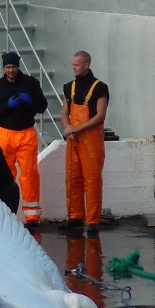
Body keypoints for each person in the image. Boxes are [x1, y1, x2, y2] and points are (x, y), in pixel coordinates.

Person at [0, 51, 49, 229]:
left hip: (26, 133)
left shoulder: (31, 83)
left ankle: (32, 216)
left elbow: (42, 106)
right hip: (4, 134)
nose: (11, 70)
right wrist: (7, 105)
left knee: (29, 174)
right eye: (7, 67)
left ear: (18, 66)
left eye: (13, 67)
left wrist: (31, 102)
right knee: (5, 174)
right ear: (3, 68)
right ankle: (5, 212)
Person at [60, 51, 109, 236]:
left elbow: (100, 116)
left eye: (77, 65)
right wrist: (67, 127)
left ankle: (93, 221)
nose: (73, 68)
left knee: (92, 179)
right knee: (72, 177)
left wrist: (77, 129)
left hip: (91, 140)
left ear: (87, 64)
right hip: (73, 139)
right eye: (72, 64)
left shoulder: (99, 88)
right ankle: (74, 217)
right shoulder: (69, 87)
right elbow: (64, 112)